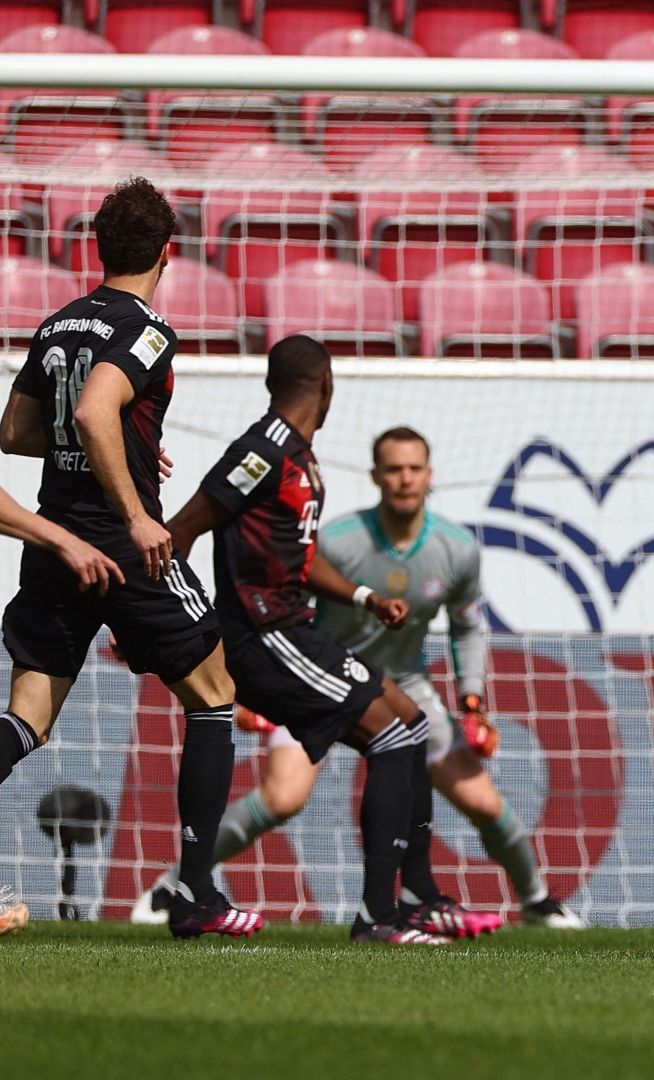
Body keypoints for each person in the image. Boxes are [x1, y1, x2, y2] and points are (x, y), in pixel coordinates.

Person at [136, 428, 584, 928]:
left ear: (430, 475)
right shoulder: (339, 541)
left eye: (414, 468)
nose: (404, 479)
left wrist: (473, 701)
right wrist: (267, 692)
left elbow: (466, 628)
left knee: (482, 800)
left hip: (406, 685)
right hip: (321, 676)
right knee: (282, 797)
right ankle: (177, 885)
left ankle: (537, 901)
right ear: (376, 476)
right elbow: (282, 610)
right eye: (394, 469)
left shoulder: (457, 550)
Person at [165, 335, 505, 944]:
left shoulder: (299, 456)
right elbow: (183, 529)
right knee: (394, 735)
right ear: (327, 386)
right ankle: (378, 915)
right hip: (265, 634)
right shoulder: (263, 451)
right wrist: (169, 619)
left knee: (411, 724)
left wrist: (363, 596)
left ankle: (417, 897)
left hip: (291, 629)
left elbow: (298, 557)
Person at [0, 178, 262, 939]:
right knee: (214, 694)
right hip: (121, 545)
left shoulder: (57, 324)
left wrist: (130, 448)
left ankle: (196, 893)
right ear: (167, 254)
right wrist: (137, 510)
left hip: (54, 539)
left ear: (99, 247)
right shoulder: (147, 329)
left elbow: (17, 433)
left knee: (27, 719)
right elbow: (92, 411)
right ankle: (196, 895)